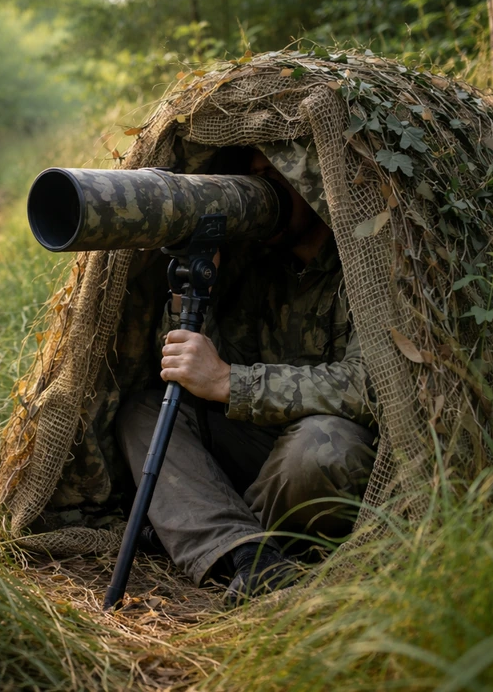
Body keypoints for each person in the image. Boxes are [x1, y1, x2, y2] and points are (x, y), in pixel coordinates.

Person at [115, 145, 377, 605]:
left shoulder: (363, 265)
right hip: (260, 451)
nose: (264, 187)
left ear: (316, 183)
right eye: (255, 175)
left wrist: (230, 382)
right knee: (145, 413)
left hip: (321, 462)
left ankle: (194, 524)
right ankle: (248, 556)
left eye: (278, 173)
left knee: (322, 445)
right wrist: (191, 297)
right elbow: (209, 368)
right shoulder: (261, 269)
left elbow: (371, 386)